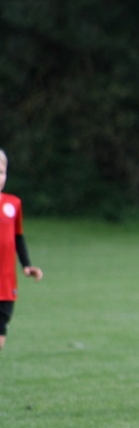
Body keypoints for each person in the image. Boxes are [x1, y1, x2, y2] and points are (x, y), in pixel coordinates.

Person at [0, 149, 44, 356]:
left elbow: (17, 237)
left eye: (1, 172)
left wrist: (27, 265)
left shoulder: (13, 204)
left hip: (6, 284)